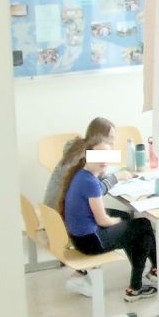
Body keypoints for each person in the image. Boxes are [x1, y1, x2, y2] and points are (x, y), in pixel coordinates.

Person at [58, 138, 159, 302]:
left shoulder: (82, 176)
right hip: (90, 242)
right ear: (87, 155)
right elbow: (103, 220)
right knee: (143, 225)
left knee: (130, 221)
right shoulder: (89, 182)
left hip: (79, 237)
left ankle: (153, 271)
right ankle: (139, 285)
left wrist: (116, 178)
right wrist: (119, 222)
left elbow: (100, 188)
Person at [43, 117, 131, 297]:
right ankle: (84, 273)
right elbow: (95, 188)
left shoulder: (78, 148)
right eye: (110, 138)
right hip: (63, 217)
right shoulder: (86, 156)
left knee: (107, 219)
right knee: (114, 221)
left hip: (52, 213)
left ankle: (84, 273)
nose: (112, 143)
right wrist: (116, 177)